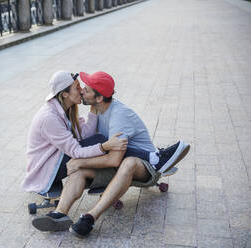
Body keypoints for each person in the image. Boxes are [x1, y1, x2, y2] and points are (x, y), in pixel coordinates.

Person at [31, 71, 190, 238]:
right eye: (80, 88)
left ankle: (90, 217)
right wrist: (80, 162)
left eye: (86, 89)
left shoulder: (119, 115)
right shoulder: (98, 109)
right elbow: (92, 140)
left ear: (99, 98)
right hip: (116, 164)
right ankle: (59, 214)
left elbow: (114, 160)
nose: (82, 91)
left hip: (144, 167)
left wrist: (79, 162)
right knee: (80, 170)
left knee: (127, 162)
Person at [23, 71, 155, 195]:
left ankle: (131, 167)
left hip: (57, 156)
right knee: (102, 141)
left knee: (99, 139)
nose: (81, 91)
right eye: (77, 87)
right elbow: (76, 152)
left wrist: (94, 107)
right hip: (46, 167)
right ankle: (143, 162)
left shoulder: (67, 108)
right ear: (65, 94)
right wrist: (105, 147)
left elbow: (85, 135)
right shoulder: (49, 118)